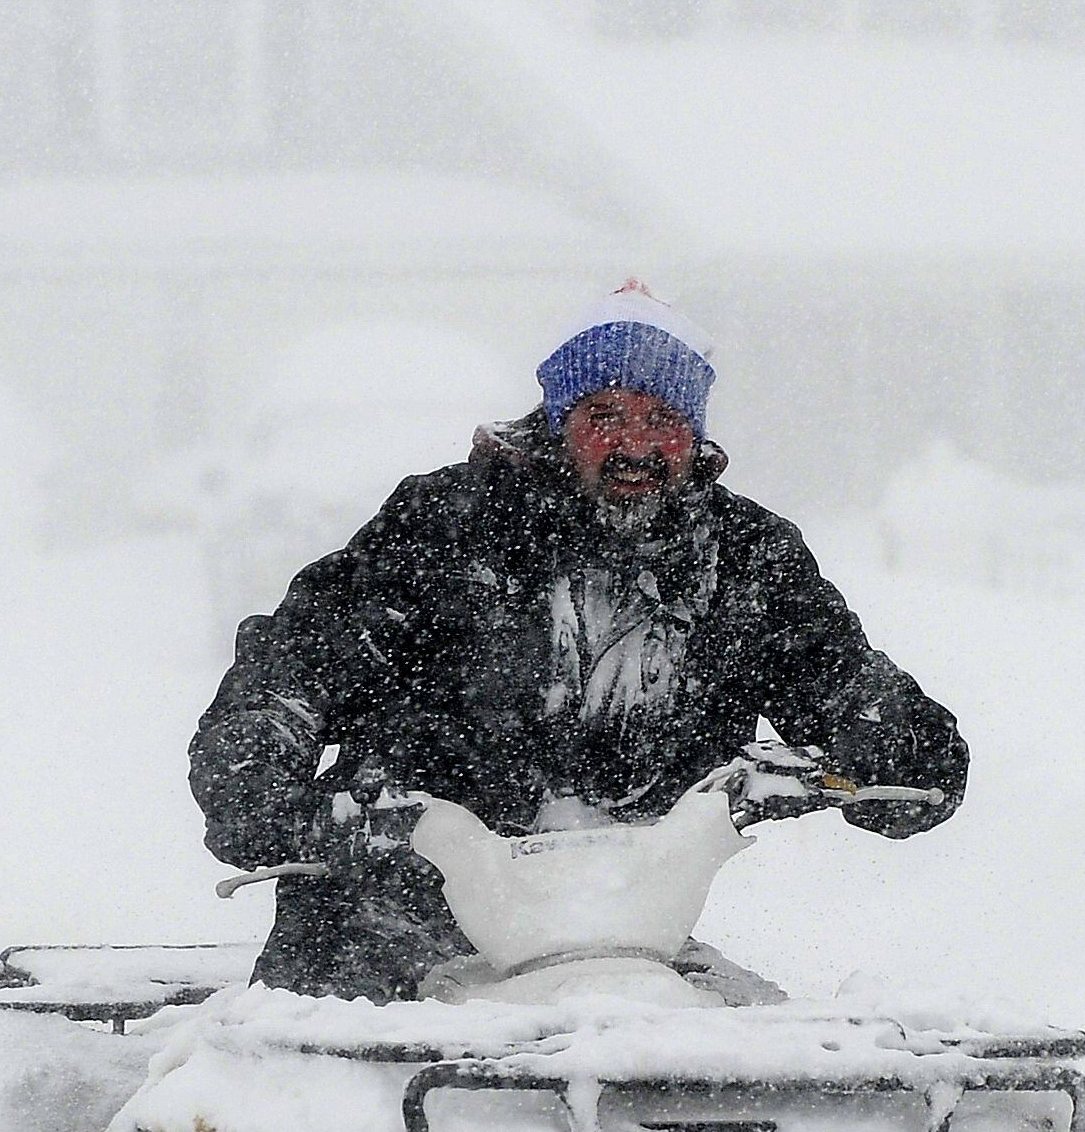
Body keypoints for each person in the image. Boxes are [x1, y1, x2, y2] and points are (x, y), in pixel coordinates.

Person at [190, 282, 967, 998]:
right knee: (313, 1124)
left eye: (663, 421)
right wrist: (262, 775)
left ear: (695, 435)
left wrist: (889, 743)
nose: (636, 446)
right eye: (606, 418)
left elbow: (840, 681)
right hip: (380, 933)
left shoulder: (746, 558)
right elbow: (295, 667)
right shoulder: (444, 527)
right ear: (559, 422)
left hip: (622, 941)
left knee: (754, 1091)